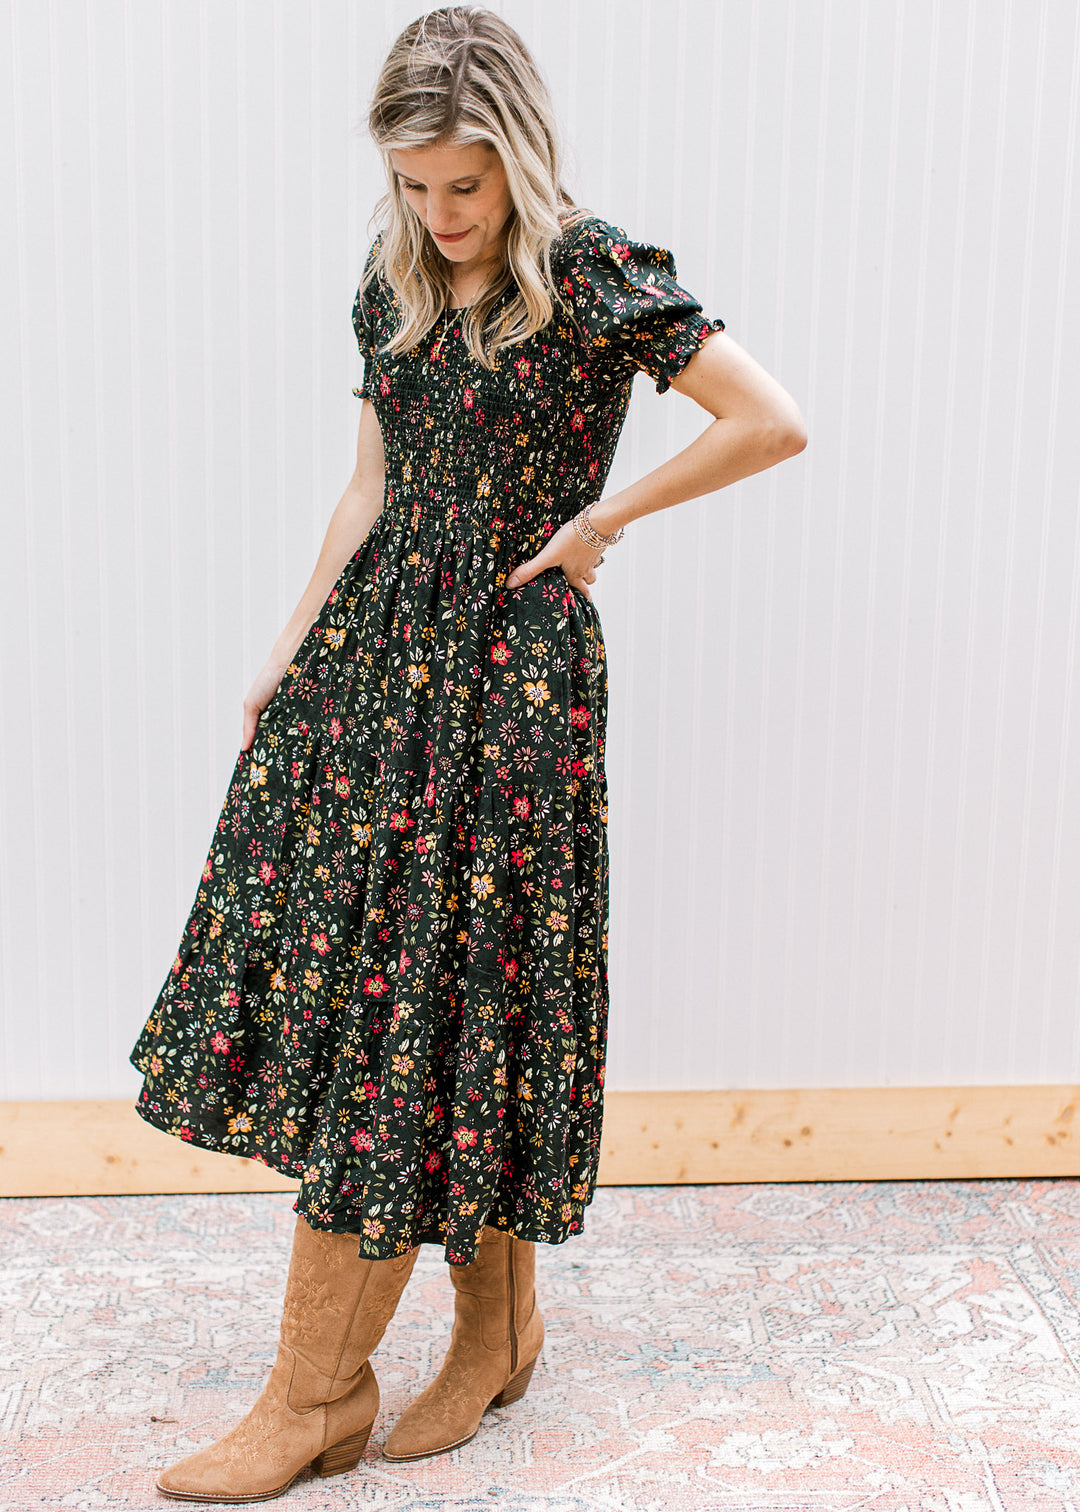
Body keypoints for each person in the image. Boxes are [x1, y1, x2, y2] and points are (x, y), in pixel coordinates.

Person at [130, 4, 806, 1502]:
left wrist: (599, 523)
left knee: (438, 989)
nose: (441, 216)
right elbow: (370, 481)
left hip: (511, 674)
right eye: (416, 186)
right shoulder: (389, 288)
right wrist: (293, 642)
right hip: (380, 664)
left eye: (466, 186)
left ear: (520, 158)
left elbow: (769, 421)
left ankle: (314, 1395)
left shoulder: (592, 272)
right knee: (423, 994)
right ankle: (496, 1333)